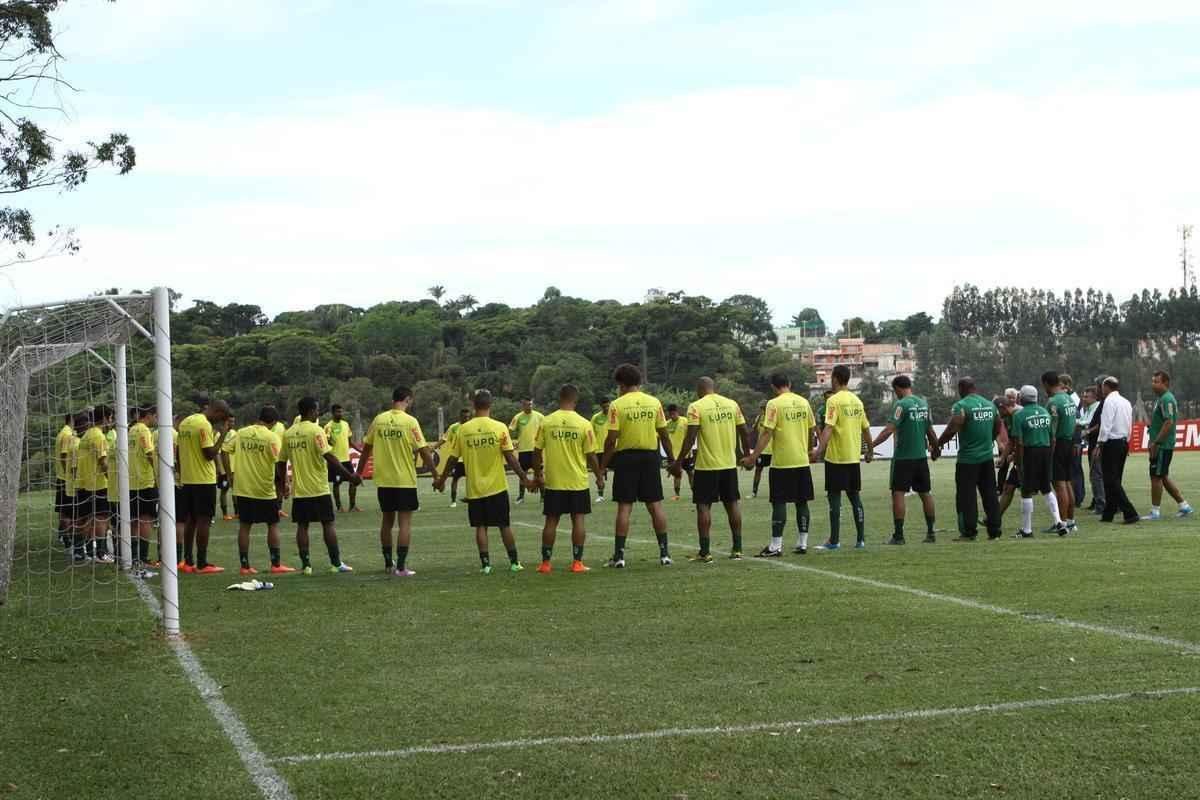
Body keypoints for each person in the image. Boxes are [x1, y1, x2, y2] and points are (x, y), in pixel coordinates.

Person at [434, 390, 532, 574]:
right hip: (497, 487)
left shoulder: (464, 430)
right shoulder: (499, 427)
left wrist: (441, 480)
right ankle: (514, 563)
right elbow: (510, 457)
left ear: (474, 406)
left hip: (475, 489)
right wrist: (524, 478)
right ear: (490, 405)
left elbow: (452, 459)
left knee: (480, 526)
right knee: (504, 525)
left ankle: (486, 565)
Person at [600, 363, 677, 568]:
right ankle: (665, 554)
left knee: (625, 507)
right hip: (650, 457)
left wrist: (602, 466)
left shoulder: (617, 405)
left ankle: (619, 556)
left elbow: (611, 440)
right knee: (655, 505)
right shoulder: (654, 402)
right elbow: (664, 435)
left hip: (626, 458)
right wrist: (672, 460)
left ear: (622, 384)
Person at [358, 387, 436, 576]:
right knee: (405, 524)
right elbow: (424, 450)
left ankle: (388, 564)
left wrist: (358, 472)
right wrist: (436, 474)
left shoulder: (379, 420)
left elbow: (366, 448)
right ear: (407, 399)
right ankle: (401, 567)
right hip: (404, 480)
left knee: (387, 521)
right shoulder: (410, 421)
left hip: (384, 480)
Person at [673, 377, 751, 563]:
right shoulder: (732, 404)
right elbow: (743, 430)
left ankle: (705, 552)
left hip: (707, 466)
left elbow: (690, 438)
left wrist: (678, 461)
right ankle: (737, 549)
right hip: (729, 464)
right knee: (732, 504)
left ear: (699, 389)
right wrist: (745, 454)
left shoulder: (696, 406)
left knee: (703, 506)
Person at [281, 397, 361, 575]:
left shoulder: (288, 433)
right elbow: (329, 456)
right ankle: (336, 563)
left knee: (302, 526)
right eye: (317, 410)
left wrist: (282, 484)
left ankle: (306, 566)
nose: (318, 413)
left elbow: (281, 462)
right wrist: (350, 476)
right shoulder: (316, 430)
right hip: (318, 487)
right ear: (311, 411)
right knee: (328, 524)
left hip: (300, 490)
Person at [742, 373, 817, 556]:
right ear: (789, 383)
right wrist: (808, 450)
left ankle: (776, 546)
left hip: (782, 462)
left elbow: (767, 433)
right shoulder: (804, 402)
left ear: (773, 387)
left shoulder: (774, 404)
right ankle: (802, 543)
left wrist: (753, 457)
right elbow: (811, 429)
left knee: (779, 502)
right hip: (801, 461)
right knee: (802, 502)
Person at [532, 384, 603, 573]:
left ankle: (545, 563)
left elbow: (536, 452)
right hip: (577, 481)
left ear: (559, 397)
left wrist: (538, 475)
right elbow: (591, 455)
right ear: (576, 400)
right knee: (578, 520)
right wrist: (599, 476)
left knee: (551, 521)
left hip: (554, 481)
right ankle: (577, 563)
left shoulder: (546, 422)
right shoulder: (584, 424)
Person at [871, 375, 940, 545]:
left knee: (898, 493)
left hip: (903, 458)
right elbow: (930, 430)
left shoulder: (901, 405)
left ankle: (899, 535)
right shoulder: (923, 404)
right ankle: (931, 533)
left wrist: (871, 446)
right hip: (921, 457)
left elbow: (889, 430)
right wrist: (936, 448)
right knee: (925, 493)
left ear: (897, 389)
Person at [937, 378, 1006, 541]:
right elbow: (998, 425)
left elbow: (952, 429)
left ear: (962, 388)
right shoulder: (990, 405)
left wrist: (937, 444)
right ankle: (995, 531)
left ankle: (969, 532)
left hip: (967, 460)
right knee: (990, 494)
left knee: (966, 496)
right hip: (986, 458)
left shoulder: (961, 406)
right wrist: (989, 439)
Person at [811, 366, 872, 550]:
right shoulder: (857, 401)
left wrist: (818, 451)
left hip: (836, 458)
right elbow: (866, 429)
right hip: (853, 457)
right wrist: (870, 450)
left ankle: (834, 541)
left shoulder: (833, 401)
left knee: (834, 499)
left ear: (836, 379)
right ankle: (860, 540)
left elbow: (828, 428)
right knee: (855, 498)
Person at [231, 406, 295, 575]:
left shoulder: (241, 433)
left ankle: (244, 566)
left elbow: (226, 449)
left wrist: (230, 475)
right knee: (272, 524)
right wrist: (286, 483)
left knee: (245, 526)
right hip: (264, 489)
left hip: (243, 488)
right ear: (273, 422)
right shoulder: (271, 437)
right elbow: (279, 462)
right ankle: (276, 564)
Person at [178, 400, 232, 573]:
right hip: (203, 480)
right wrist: (223, 435)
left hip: (187, 479)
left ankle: (188, 561)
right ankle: (202, 563)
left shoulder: (186, 422)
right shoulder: (203, 425)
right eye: (221, 418)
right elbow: (209, 453)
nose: (220, 422)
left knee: (190, 520)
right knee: (204, 520)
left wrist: (181, 471)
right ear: (217, 412)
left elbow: (178, 451)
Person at [1142, 370, 1193, 520]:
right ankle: (1184, 506)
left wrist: (1156, 442)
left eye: (1156, 382)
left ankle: (1155, 512)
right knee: (1162, 476)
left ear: (1165, 383)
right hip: (1159, 444)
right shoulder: (1161, 399)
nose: (1153, 384)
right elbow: (1163, 421)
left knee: (1156, 477)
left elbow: (1169, 422)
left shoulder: (1167, 399)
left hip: (1162, 445)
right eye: (1153, 381)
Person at [1097, 377, 1139, 524]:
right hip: (1123, 442)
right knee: (1115, 479)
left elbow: (1106, 424)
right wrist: (1127, 441)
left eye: (1102, 387)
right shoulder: (1126, 402)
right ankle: (1109, 513)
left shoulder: (1109, 401)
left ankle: (1130, 513)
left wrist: (1099, 443)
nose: (1101, 390)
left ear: (1106, 387)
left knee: (1110, 480)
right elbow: (1129, 424)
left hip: (1111, 443)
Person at [75, 406, 113, 563]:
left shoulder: (86, 435)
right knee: (101, 517)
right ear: (105, 418)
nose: (111, 421)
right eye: (110, 418)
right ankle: (101, 553)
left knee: (85, 518)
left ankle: (83, 550)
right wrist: (111, 478)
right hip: (98, 483)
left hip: (83, 482)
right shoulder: (99, 436)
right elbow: (103, 461)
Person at [1042, 371, 1078, 532]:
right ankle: (1071, 521)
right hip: (1069, 442)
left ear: (1046, 384)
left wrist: (1049, 451)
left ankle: (1062, 523)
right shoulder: (1068, 398)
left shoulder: (1053, 402)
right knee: (1068, 482)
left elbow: (1052, 430)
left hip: (1059, 445)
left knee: (1059, 484)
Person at [129, 406, 159, 567]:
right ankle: (143, 556)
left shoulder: (131, 430)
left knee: (134, 520)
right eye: (156, 416)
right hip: (145, 481)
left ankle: (134, 556)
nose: (156, 420)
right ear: (149, 415)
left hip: (131, 481)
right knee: (146, 519)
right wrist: (157, 474)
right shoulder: (144, 430)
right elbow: (149, 453)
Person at [323, 405, 360, 513]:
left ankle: (352, 506)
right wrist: (329, 441)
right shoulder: (328, 426)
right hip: (335, 460)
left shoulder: (345, 424)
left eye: (341, 411)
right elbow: (326, 441)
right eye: (338, 412)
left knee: (353, 481)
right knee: (337, 483)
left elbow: (349, 442)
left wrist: (359, 450)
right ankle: (339, 507)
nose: (340, 414)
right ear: (333, 413)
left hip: (346, 459)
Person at [509, 398, 544, 505]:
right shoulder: (518, 417)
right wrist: (512, 442)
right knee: (522, 474)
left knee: (539, 474)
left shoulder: (540, 416)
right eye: (527, 404)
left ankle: (543, 497)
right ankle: (521, 497)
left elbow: (546, 429)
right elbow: (510, 430)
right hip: (523, 450)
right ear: (523, 405)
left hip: (536, 450)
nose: (529, 406)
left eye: (531, 404)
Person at [435, 408, 471, 507]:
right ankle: (453, 501)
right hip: (457, 459)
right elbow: (444, 439)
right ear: (460, 417)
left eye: (468, 417)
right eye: (465, 417)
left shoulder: (471, 426)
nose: (466, 419)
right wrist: (434, 447)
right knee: (455, 479)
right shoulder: (454, 427)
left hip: (469, 458)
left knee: (471, 479)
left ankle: (471, 497)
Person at [996, 391, 1023, 518]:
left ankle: (1060, 521)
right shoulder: (1008, 418)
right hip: (1022, 457)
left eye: (997, 411)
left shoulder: (1018, 415)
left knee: (1044, 490)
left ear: (1002, 407)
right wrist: (1003, 457)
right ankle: (994, 518)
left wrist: (1015, 455)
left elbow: (1022, 441)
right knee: (1009, 487)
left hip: (1029, 457)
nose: (997, 414)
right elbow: (1012, 441)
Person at [1079, 384, 1105, 515]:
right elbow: (1084, 421)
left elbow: (1095, 424)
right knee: (1096, 474)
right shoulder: (1089, 408)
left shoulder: (1097, 407)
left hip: (1097, 444)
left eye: (1086, 397)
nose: (1083, 399)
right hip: (1093, 443)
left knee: (1096, 475)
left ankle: (1101, 504)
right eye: (1083, 396)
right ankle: (1097, 501)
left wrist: (1087, 430)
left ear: (1095, 397)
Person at [1061, 374, 1086, 510]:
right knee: (1074, 468)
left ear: (1066, 384)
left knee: (1074, 469)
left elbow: (1076, 422)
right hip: (1073, 439)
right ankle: (1076, 496)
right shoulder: (1071, 397)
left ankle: (1077, 497)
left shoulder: (1073, 399)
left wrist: (1076, 441)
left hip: (1074, 440)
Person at [54, 414, 76, 550]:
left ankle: (62, 535)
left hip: (61, 477)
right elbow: (64, 455)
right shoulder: (67, 434)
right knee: (68, 511)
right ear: (72, 420)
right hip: (65, 478)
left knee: (63, 509)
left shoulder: (62, 433)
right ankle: (68, 539)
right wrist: (68, 472)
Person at [664, 404, 691, 501]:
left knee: (691, 473)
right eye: (670, 414)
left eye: (674, 413)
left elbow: (691, 435)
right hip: (674, 455)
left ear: (677, 412)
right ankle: (677, 495)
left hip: (686, 453)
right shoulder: (666, 424)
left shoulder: (685, 421)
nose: (672, 416)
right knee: (677, 475)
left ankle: (695, 492)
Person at [590, 399, 610, 502]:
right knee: (599, 474)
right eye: (604, 406)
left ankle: (619, 494)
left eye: (608, 406)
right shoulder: (595, 418)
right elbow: (591, 434)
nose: (606, 408)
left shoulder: (615, 416)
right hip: (599, 450)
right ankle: (600, 495)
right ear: (600, 406)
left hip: (613, 449)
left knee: (621, 473)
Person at [218, 416, 238, 521]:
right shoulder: (219, 435)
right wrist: (221, 470)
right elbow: (218, 453)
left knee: (236, 490)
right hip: (224, 470)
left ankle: (237, 513)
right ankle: (225, 514)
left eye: (233, 421)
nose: (232, 423)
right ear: (225, 422)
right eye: (230, 421)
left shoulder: (235, 433)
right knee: (224, 490)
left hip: (234, 469)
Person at [751, 404, 772, 499]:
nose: (763, 411)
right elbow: (754, 430)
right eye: (762, 409)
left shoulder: (773, 417)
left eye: (764, 409)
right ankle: (754, 492)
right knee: (758, 470)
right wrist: (756, 423)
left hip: (773, 449)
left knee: (775, 471)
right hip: (762, 449)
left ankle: (776, 491)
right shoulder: (759, 418)